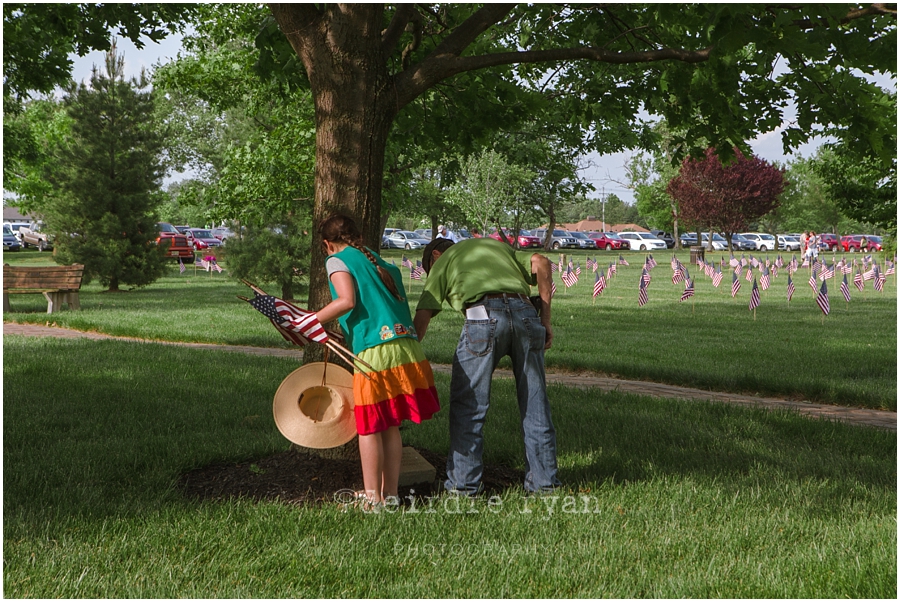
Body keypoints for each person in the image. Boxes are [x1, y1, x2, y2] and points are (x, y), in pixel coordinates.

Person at [413, 237, 561, 495]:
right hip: (527, 314)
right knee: (536, 404)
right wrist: (546, 320)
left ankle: (463, 487)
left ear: (435, 255)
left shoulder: (442, 261)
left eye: (429, 268)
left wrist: (409, 355)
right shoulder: (494, 247)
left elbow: (423, 317)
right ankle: (544, 485)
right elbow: (541, 262)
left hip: (481, 317)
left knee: (469, 406)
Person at [312, 214, 440, 508]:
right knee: (389, 424)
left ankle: (372, 500)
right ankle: (390, 495)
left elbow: (346, 301)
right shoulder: (380, 262)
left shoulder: (337, 259)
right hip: (405, 349)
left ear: (327, 244)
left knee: (369, 427)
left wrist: (309, 320)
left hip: (376, 352)